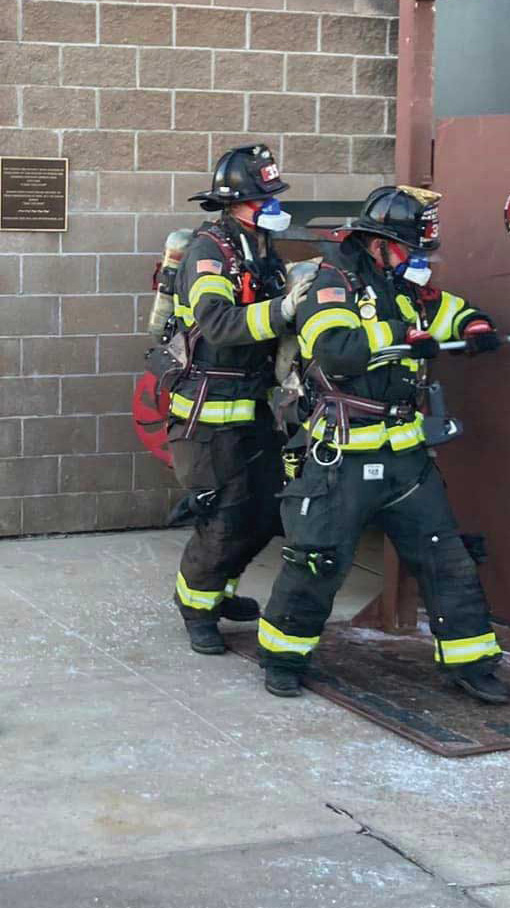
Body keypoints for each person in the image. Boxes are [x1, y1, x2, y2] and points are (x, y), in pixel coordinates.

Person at [258, 184, 510, 705]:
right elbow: (336, 351)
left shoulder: (404, 287)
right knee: (317, 562)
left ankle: (472, 663)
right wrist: (398, 333)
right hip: (340, 459)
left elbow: (447, 312)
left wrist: (476, 323)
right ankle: (283, 657)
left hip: (406, 460)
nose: (418, 262)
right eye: (410, 251)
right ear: (378, 243)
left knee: (448, 559)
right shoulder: (331, 285)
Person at [163, 143, 309, 655]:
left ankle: (219, 591)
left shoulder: (260, 245)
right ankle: (196, 609)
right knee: (225, 517)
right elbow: (221, 326)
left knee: (268, 510)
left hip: (254, 405)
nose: (274, 205)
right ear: (241, 201)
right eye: (265, 197)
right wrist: (286, 308)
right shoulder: (210, 251)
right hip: (210, 408)